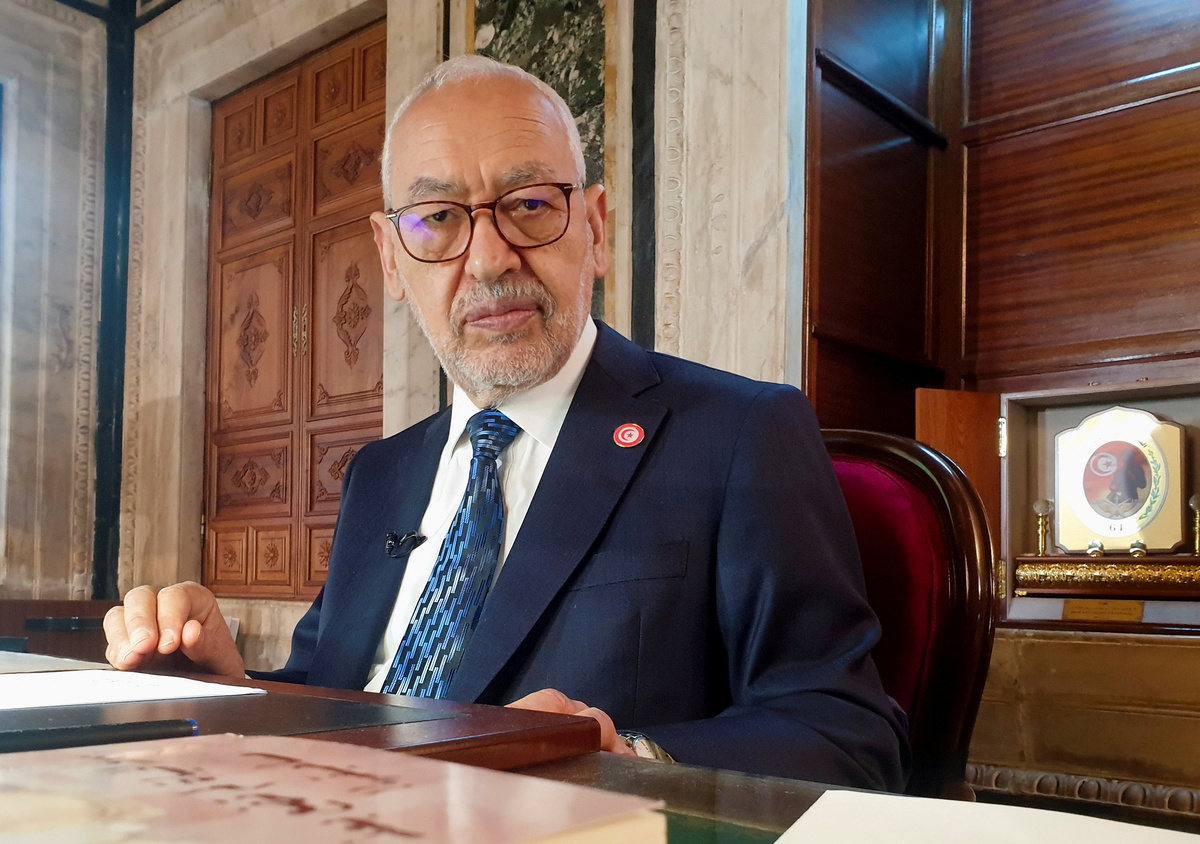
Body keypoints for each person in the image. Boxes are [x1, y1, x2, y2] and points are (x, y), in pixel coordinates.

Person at [104, 55, 909, 789]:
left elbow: (848, 735)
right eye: (438, 219)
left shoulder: (738, 434)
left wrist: (628, 760)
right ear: (390, 258)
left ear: (594, 229)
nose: (489, 260)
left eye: (528, 205)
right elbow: (336, 693)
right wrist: (230, 690)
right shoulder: (379, 474)